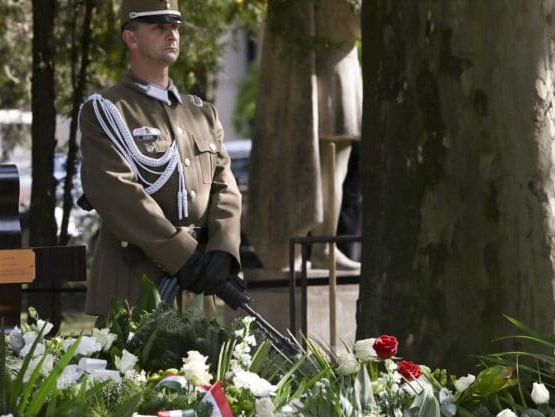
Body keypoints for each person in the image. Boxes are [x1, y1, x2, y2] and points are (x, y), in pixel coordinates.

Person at [79, 0, 245, 317]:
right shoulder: (107, 110)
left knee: (208, 368)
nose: (171, 34)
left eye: (175, 27)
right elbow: (117, 194)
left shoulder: (201, 112)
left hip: (201, 286)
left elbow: (226, 188)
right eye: (158, 26)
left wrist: (223, 250)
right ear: (131, 37)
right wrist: (182, 255)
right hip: (133, 287)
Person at [244, 0, 362, 271]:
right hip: (331, 73)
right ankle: (314, 248)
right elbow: (358, 24)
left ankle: (321, 247)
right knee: (331, 173)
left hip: (330, 74)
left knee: (334, 171)